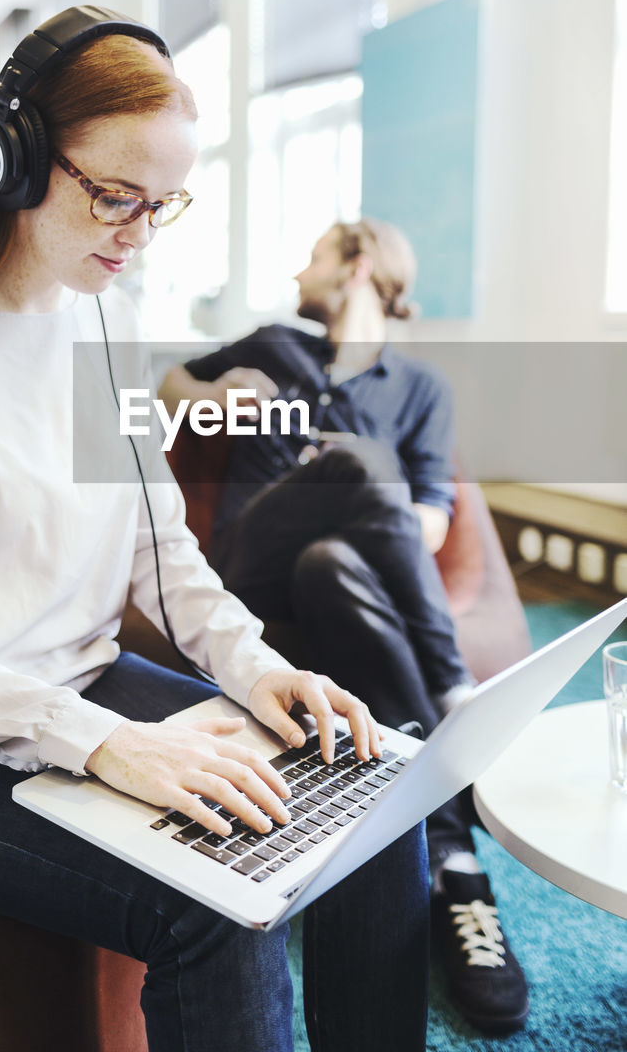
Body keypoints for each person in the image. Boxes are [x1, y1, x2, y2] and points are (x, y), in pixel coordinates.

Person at [0, 8, 430, 1052]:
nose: (136, 233)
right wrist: (106, 745)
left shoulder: (102, 320)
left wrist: (258, 671)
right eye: (116, 196)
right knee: (211, 903)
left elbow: (160, 552)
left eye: (161, 206)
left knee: (373, 800)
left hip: (77, 681)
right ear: (13, 157)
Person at [159, 218, 530, 1035]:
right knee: (362, 463)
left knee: (332, 559)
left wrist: (355, 505)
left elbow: (428, 526)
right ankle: (453, 692)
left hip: (341, 571)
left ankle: (451, 862)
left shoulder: (420, 388)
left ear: (356, 266)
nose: (300, 267)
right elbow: (166, 388)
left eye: (316, 253)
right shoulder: (271, 345)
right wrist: (213, 399)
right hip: (249, 561)